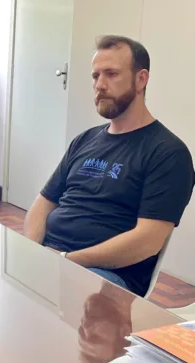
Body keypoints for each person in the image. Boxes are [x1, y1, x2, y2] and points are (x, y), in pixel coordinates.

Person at [24, 35, 195, 297]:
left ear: (141, 79)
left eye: (111, 74)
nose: (100, 85)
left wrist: (66, 260)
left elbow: (148, 241)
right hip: (53, 257)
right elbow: (43, 203)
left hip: (107, 275)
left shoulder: (168, 153)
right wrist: (31, 252)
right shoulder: (85, 140)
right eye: (95, 76)